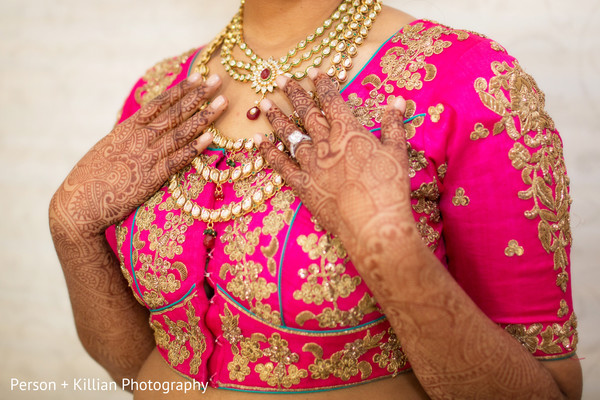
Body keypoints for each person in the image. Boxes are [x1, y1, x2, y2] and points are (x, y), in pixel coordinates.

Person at [49, 0, 583, 398]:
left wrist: (386, 247)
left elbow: (548, 391)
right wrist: (70, 229)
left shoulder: (467, 82)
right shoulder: (160, 92)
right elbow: (141, 368)